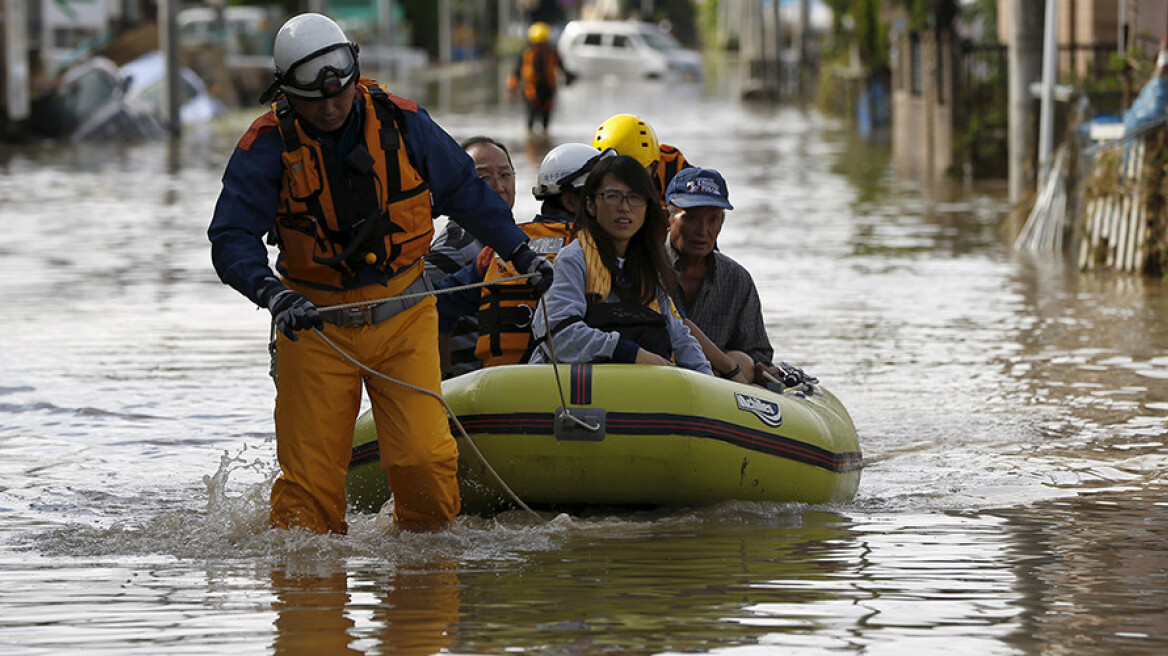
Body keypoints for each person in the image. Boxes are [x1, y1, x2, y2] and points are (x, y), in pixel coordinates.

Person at [207, 13, 552, 535]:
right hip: (315, 326)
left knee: (425, 466)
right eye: (313, 98)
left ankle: (421, 593)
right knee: (308, 501)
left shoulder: (405, 121)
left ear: (353, 73)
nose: (329, 106)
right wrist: (272, 295)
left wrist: (523, 255)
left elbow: (466, 193)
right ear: (286, 94)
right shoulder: (266, 147)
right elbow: (230, 238)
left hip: (405, 317)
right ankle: (309, 602)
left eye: (338, 91)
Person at [529, 154, 712, 374]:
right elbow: (556, 334)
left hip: (638, 389)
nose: (624, 208)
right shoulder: (572, 260)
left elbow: (679, 337)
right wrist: (631, 354)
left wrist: (705, 378)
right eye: (613, 196)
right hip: (573, 391)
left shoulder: (649, 266)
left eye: (635, 197)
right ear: (591, 205)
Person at [663, 167, 783, 385]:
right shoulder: (645, 269)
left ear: (721, 223)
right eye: (690, 218)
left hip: (721, 394)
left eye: (712, 220)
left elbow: (757, 354)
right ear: (667, 219)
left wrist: (758, 369)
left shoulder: (737, 280)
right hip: (657, 379)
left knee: (743, 361)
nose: (702, 230)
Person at [425, 136, 516, 377]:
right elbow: (422, 317)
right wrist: (444, 380)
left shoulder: (516, 244)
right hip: (465, 389)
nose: (498, 187)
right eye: (483, 178)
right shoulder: (452, 248)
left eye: (505, 175)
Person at [592, 113, 691, 203]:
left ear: (655, 167)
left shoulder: (675, 172)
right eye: (615, 176)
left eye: (634, 174)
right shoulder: (586, 187)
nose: (625, 185)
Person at [507, 22, 575, 133]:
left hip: (548, 89)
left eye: (543, 43)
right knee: (531, 118)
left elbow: (561, 67)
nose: (541, 46)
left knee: (546, 121)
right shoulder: (526, 53)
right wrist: (511, 89)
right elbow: (516, 73)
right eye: (539, 43)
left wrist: (569, 77)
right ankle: (531, 143)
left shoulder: (552, 52)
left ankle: (544, 141)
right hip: (531, 90)